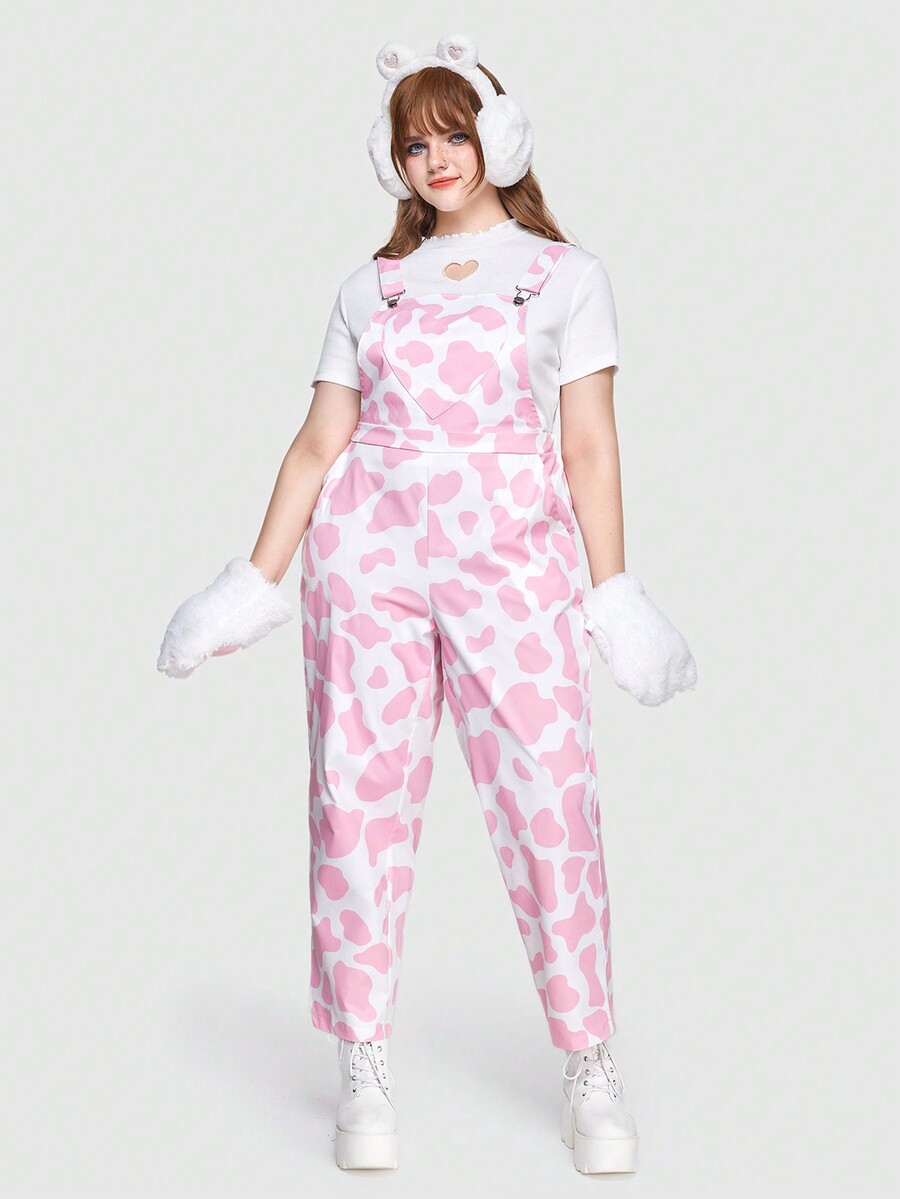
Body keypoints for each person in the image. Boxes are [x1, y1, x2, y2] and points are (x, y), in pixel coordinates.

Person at [156, 32, 697, 1176]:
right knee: (354, 799)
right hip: (371, 562)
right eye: (415, 143)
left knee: (552, 800)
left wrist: (614, 592)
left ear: (499, 136)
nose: (437, 158)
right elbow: (319, 443)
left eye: (455, 133)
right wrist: (250, 581)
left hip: (514, 566)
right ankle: (362, 1057)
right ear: (391, 160)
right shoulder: (373, 286)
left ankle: (589, 1058)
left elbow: (589, 445)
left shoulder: (565, 276)